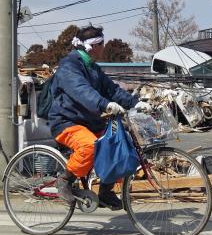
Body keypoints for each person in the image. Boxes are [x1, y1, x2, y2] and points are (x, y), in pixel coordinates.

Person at [49, 24, 148, 210]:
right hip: (66, 121)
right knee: (89, 146)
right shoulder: (69, 66)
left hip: (90, 122)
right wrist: (105, 104)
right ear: (92, 46)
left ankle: (105, 191)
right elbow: (81, 91)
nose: (104, 47)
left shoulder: (94, 68)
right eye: (101, 43)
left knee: (118, 144)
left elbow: (113, 90)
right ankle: (64, 180)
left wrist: (135, 103)